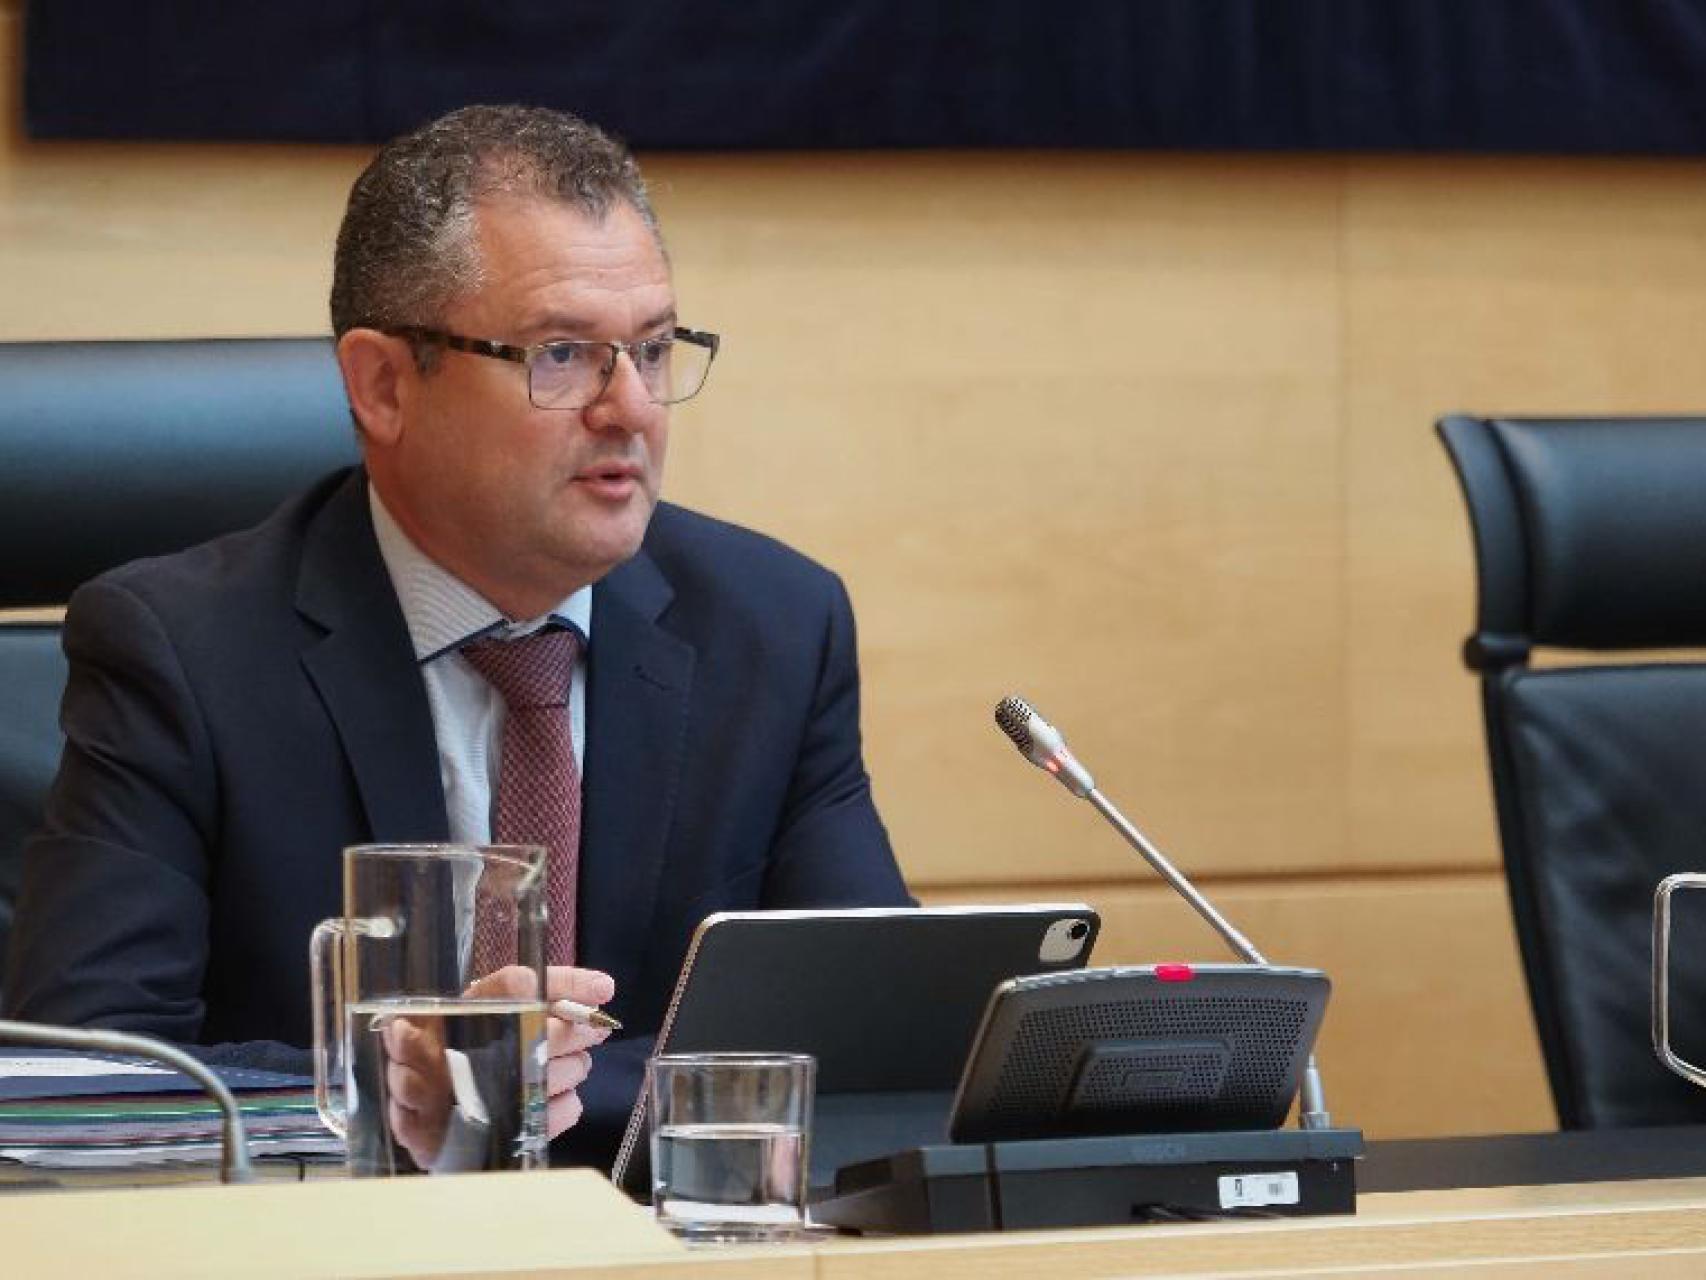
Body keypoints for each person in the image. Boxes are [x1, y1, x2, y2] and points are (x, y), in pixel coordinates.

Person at [3, 104, 909, 1169]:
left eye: (655, 348)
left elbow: (879, 1046)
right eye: (563, 353)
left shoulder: (771, 624)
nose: (630, 409)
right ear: (384, 383)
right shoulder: (183, 651)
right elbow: (79, 1094)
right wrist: (387, 1091)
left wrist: (515, 1077)